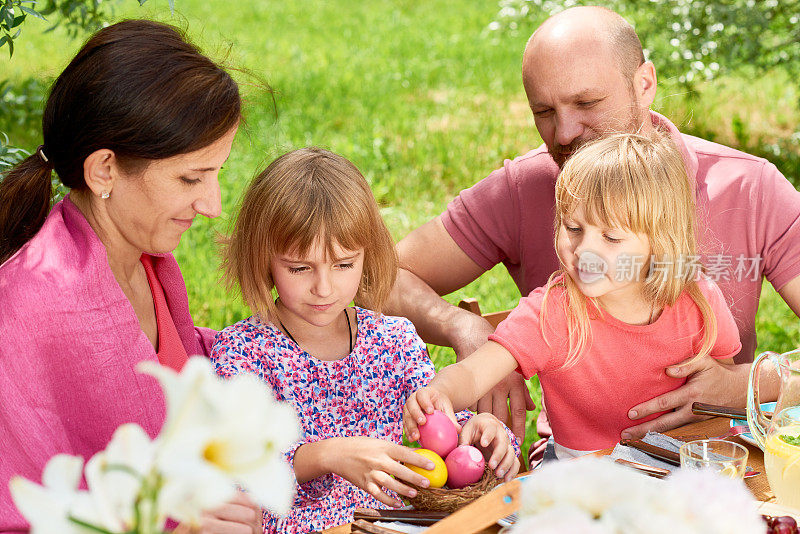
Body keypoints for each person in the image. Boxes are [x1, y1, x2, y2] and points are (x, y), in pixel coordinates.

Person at [387, 6, 800, 453]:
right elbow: (374, 275)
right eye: (544, 111)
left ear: (644, 84)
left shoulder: (749, 189)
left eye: (587, 103)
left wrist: (749, 383)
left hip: (706, 461)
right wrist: (467, 330)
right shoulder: (522, 190)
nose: (564, 133)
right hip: (583, 466)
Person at [0, 20, 261, 533]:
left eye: (217, 173)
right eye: (191, 178)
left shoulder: (146, 260)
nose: (213, 205)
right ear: (104, 171)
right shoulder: (24, 310)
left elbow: (176, 369)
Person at [210, 148, 520, 533]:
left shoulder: (392, 340)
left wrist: (482, 435)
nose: (323, 287)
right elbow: (237, 476)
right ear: (263, 259)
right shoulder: (246, 353)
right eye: (299, 267)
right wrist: (326, 455)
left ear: (366, 256)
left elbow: (436, 431)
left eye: (343, 264)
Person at [403, 132, 742, 459]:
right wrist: (440, 392)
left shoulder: (699, 301)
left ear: (659, 243)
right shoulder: (553, 314)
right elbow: (474, 373)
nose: (585, 251)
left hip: (680, 476)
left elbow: (718, 392)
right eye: (574, 228)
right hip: (582, 485)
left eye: (611, 237)